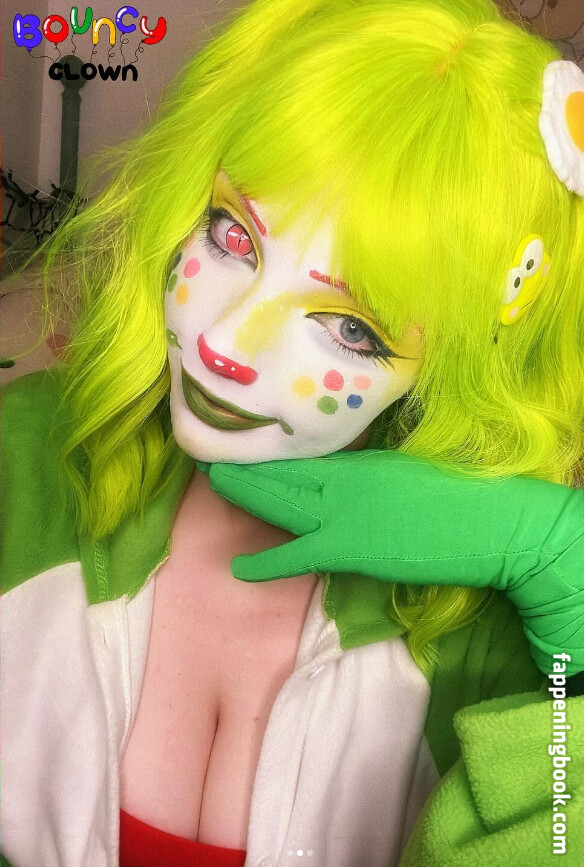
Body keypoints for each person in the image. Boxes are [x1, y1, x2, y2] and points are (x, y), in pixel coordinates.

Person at [1, 0, 583, 865]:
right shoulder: (24, 454)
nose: (225, 344)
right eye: (232, 235)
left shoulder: (472, 618)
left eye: (350, 328)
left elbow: (561, 829)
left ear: (454, 369)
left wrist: (563, 575)